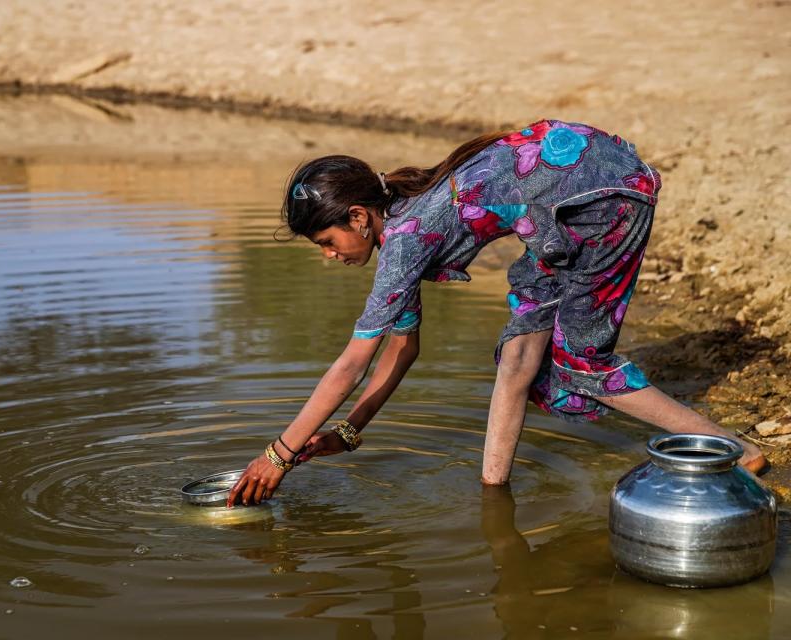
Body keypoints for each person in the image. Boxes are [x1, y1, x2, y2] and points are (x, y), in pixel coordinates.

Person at [226, 119, 766, 508]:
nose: (329, 256)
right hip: (558, 215)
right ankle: (494, 497)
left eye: (327, 240)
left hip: (607, 202)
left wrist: (276, 455)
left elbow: (350, 366)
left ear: (359, 217)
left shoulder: (407, 238)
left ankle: (737, 452)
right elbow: (402, 348)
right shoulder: (404, 230)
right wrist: (349, 431)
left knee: (579, 361)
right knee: (518, 355)